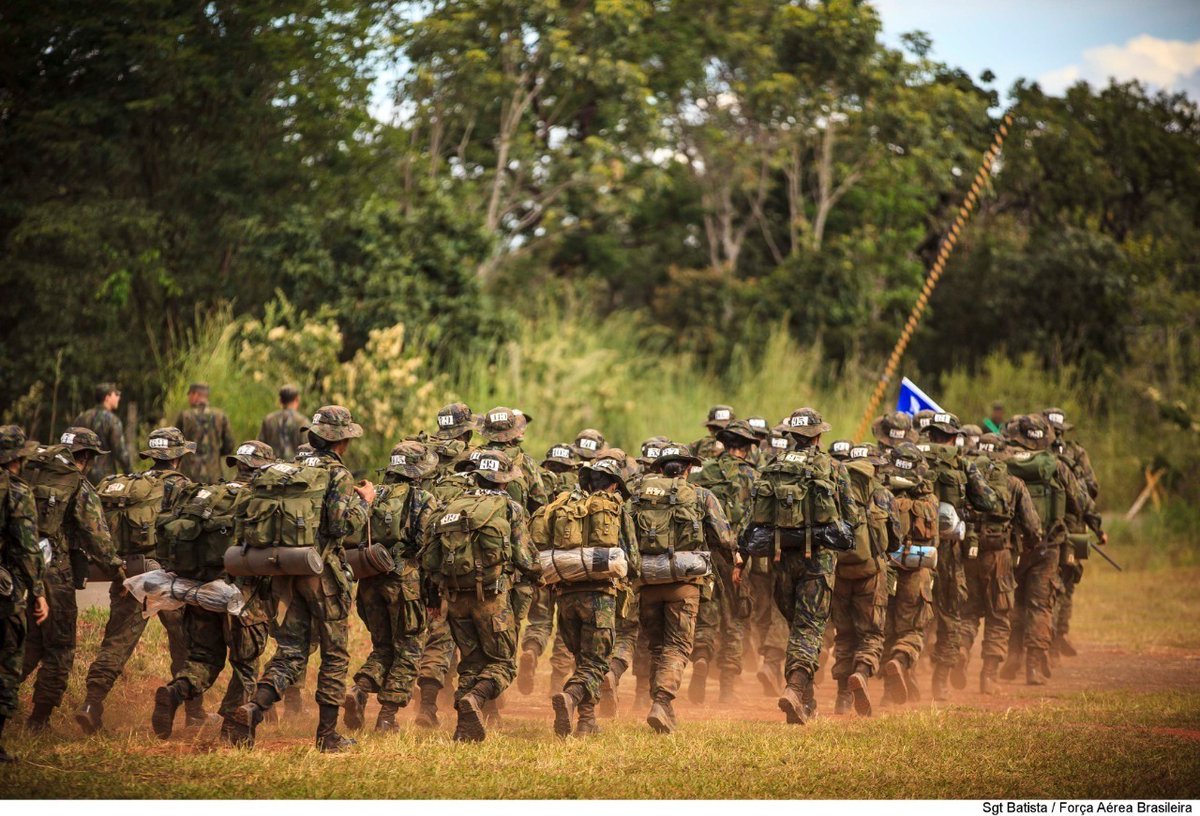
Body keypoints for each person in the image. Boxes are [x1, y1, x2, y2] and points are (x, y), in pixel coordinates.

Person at [234, 406, 372, 752]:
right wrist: (365, 503)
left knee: (293, 649)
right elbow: (341, 526)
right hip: (323, 573)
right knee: (335, 653)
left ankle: (253, 708)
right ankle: (327, 735)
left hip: (292, 569)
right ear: (342, 441)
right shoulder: (339, 474)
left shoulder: (296, 467)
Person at [736, 408, 859, 725]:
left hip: (781, 560)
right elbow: (852, 518)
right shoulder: (832, 468)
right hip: (817, 562)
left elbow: (754, 520)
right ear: (818, 435)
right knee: (809, 629)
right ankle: (793, 689)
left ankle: (806, 699)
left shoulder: (772, 467)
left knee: (796, 629)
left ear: (790, 435)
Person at [77, 427, 203, 733]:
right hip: (165, 575)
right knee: (186, 643)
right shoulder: (181, 487)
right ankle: (193, 712)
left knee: (116, 644)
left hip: (128, 574)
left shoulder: (133, 485)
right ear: (178, 458)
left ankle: (91, 704)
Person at [151, 440, 276, 744]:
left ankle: (175, 691)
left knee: (205, 658)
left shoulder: (207, 494)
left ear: (238, 465)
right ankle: (234, 730)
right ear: (262, 468)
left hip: (200, 590)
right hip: (240, 596)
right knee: (246, 664)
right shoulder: (256, 500)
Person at [422, 450, 542, 741]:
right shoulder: (509, 508)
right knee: (502, 663)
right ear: (502, 482)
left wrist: (432, 599)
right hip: (491, 598)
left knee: (471, 663)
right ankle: (475, 699)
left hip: (454, 600)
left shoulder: (451, 505)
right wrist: (541, 577)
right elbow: (525, 557)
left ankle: (465, 726)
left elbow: (427, 556)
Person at [21, 428, 120, 731]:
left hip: (17, 567)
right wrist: (117, 571)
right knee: (60, 647)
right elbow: (97, 537)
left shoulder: (31, 472)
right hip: (55, 574)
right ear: (86, 457)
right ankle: (39, 720)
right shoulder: (77, 484)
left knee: (27, 642)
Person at [634, 443, 734, 733]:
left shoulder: (641, 494)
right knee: (677, 646)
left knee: (656, 646)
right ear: (688, 469)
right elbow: (723, 537)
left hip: (648, 581)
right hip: (684, 584)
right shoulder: (702, 496)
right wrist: (733, 559)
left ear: (660, 468)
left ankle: (661, 703)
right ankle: (662, 702)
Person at [536, 458, 640, 737]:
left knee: (582, 660)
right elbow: (634, 561)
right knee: (595, 663)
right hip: (599, 599)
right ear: (615, 484)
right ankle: (570, 696)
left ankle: (587, 721)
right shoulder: (617, 511)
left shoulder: (564, 507)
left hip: (565, 597)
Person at [344, 440, 439, 732]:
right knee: (409, 649)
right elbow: (427, 547)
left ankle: (359, 689)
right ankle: (387, 716)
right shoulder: (422, 498)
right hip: (404, 585)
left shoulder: (371, 494)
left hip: (369, 579)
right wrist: (433, 592)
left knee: (383, 647)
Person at [1000, 414, 1094, 685]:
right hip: (1049, 547)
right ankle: (1033, 666)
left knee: (1016, 602)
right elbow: (1080, 501)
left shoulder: (1006, 462)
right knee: (1041, 605)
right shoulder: (1057, 465)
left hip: (1015, 547)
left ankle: (1013, 654)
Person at [921, 412, 998, 701]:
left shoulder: (916, 459)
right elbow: (988, 500)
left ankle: (903, 672)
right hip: (949, 552)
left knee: (910, 611)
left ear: (930, 435)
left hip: (915, 547)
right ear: (955, 437)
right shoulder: (962, 464)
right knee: (951, 613)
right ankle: (940, 681)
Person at [957, 433, 1041, 694]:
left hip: (968, 554)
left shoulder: (966, 479)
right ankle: (989, 677)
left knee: (969, 612)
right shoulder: (1014, 483)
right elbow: (1033, 527)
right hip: (1000, 557)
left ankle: (960, 651)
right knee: (999, 616)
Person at [688, 420, 757, 704]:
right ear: (746, 448)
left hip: (706, 553)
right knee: (736, 619)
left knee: (707, 612)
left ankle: (702, 656)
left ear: (724, 445)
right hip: (739, 556)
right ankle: (727, 686)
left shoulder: (704, 473)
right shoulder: (753, 476)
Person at [830, 443, 896, 717]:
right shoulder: (882, 494)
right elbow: (895, 539)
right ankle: (861, 673)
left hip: (840, 573)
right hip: (871, 573)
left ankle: (842, 698)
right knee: (871, 633)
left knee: (844, 635)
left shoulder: (835, 491)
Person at [516, 442, 582, 695]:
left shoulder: (539, 480)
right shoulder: (578, 486)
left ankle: (531, 650)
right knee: (566, 622)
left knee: (539, 619)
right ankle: (558, 680)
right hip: (569, 564)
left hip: (543, 562)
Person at [875, 443, 938, 705]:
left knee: (887, 628)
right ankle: (900, 661)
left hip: (885, 571)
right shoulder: (929, 500)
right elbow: (936, 542)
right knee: (912, 630)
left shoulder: (881, 493)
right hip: (917, 571)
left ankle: (890, 694)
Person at [0, 426, 47, 762]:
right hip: (6, 590)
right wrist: (39, 592)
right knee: (7, 661)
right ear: (18, 457)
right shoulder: (17, 490)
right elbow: (28, 548)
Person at [1043, 407, 1103, 660]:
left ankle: (1051, 637)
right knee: (1065, 585)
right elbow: (1090, 491)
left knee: (1048, 586)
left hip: (1044, 532)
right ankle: (1054, 637)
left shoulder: (1031, 455)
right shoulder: (1076, 454)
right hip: (1072, 530)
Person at [173, 383, 236, 483]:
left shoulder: (184, 416)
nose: (189, 398)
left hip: (189, 477)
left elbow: (175, 444)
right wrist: (214, 452)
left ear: (195, 395)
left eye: (189, 395)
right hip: (214, 476)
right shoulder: (220, 416)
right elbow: (230, 445)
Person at [71, 383, 131, 485]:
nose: (118, 398)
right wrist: (130, 474)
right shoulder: (112, 420)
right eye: (115, 395)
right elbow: (120, 452)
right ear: (107, 398)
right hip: (105, 479)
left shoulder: (82, 417)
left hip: (81, 475)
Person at [258, 384, 305, 463]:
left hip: (272, 470)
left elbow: (260, 446)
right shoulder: (302, 421)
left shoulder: (269, 420)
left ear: (280, 400)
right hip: (295, 471)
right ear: (297, 399)